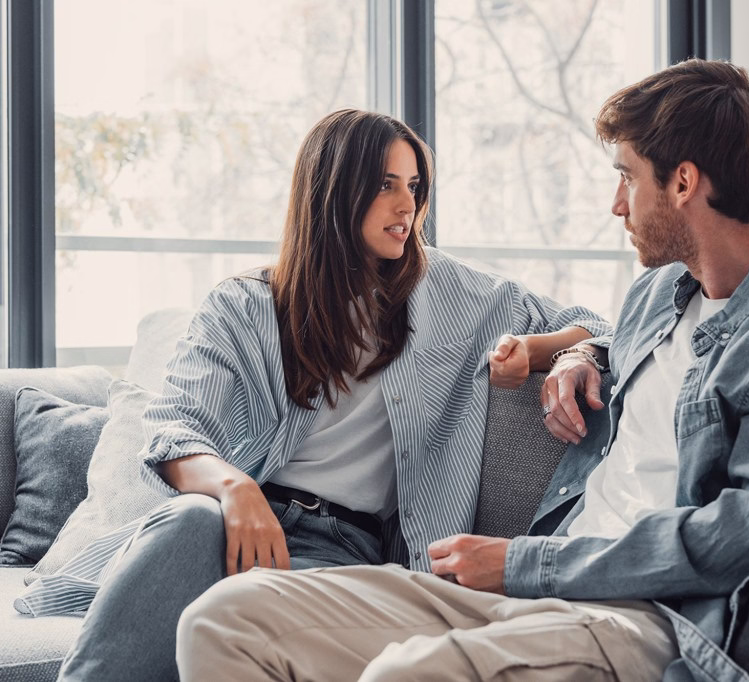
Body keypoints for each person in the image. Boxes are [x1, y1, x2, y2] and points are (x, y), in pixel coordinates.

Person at [175, 60, 749, 681]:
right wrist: (580, 352)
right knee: (223, 619)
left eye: (627, 177)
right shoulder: (663, 292)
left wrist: (526, 565)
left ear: (683, 182)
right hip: (537, 598)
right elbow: (609, 340)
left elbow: (736, 538)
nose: (614, 202)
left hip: (643, 621)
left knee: (405, 675)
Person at [23, 110, 609, 681]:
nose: (407, 205)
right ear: (333, 191)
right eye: (384, 186)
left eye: (414, 186)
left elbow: (597, 323)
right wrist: (235, 488)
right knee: (189, 523)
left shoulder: (455, 294)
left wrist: (547, 352)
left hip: (342, 547)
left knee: (239, 621)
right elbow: (175, 425)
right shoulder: (246, 304)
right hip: (230, 522)